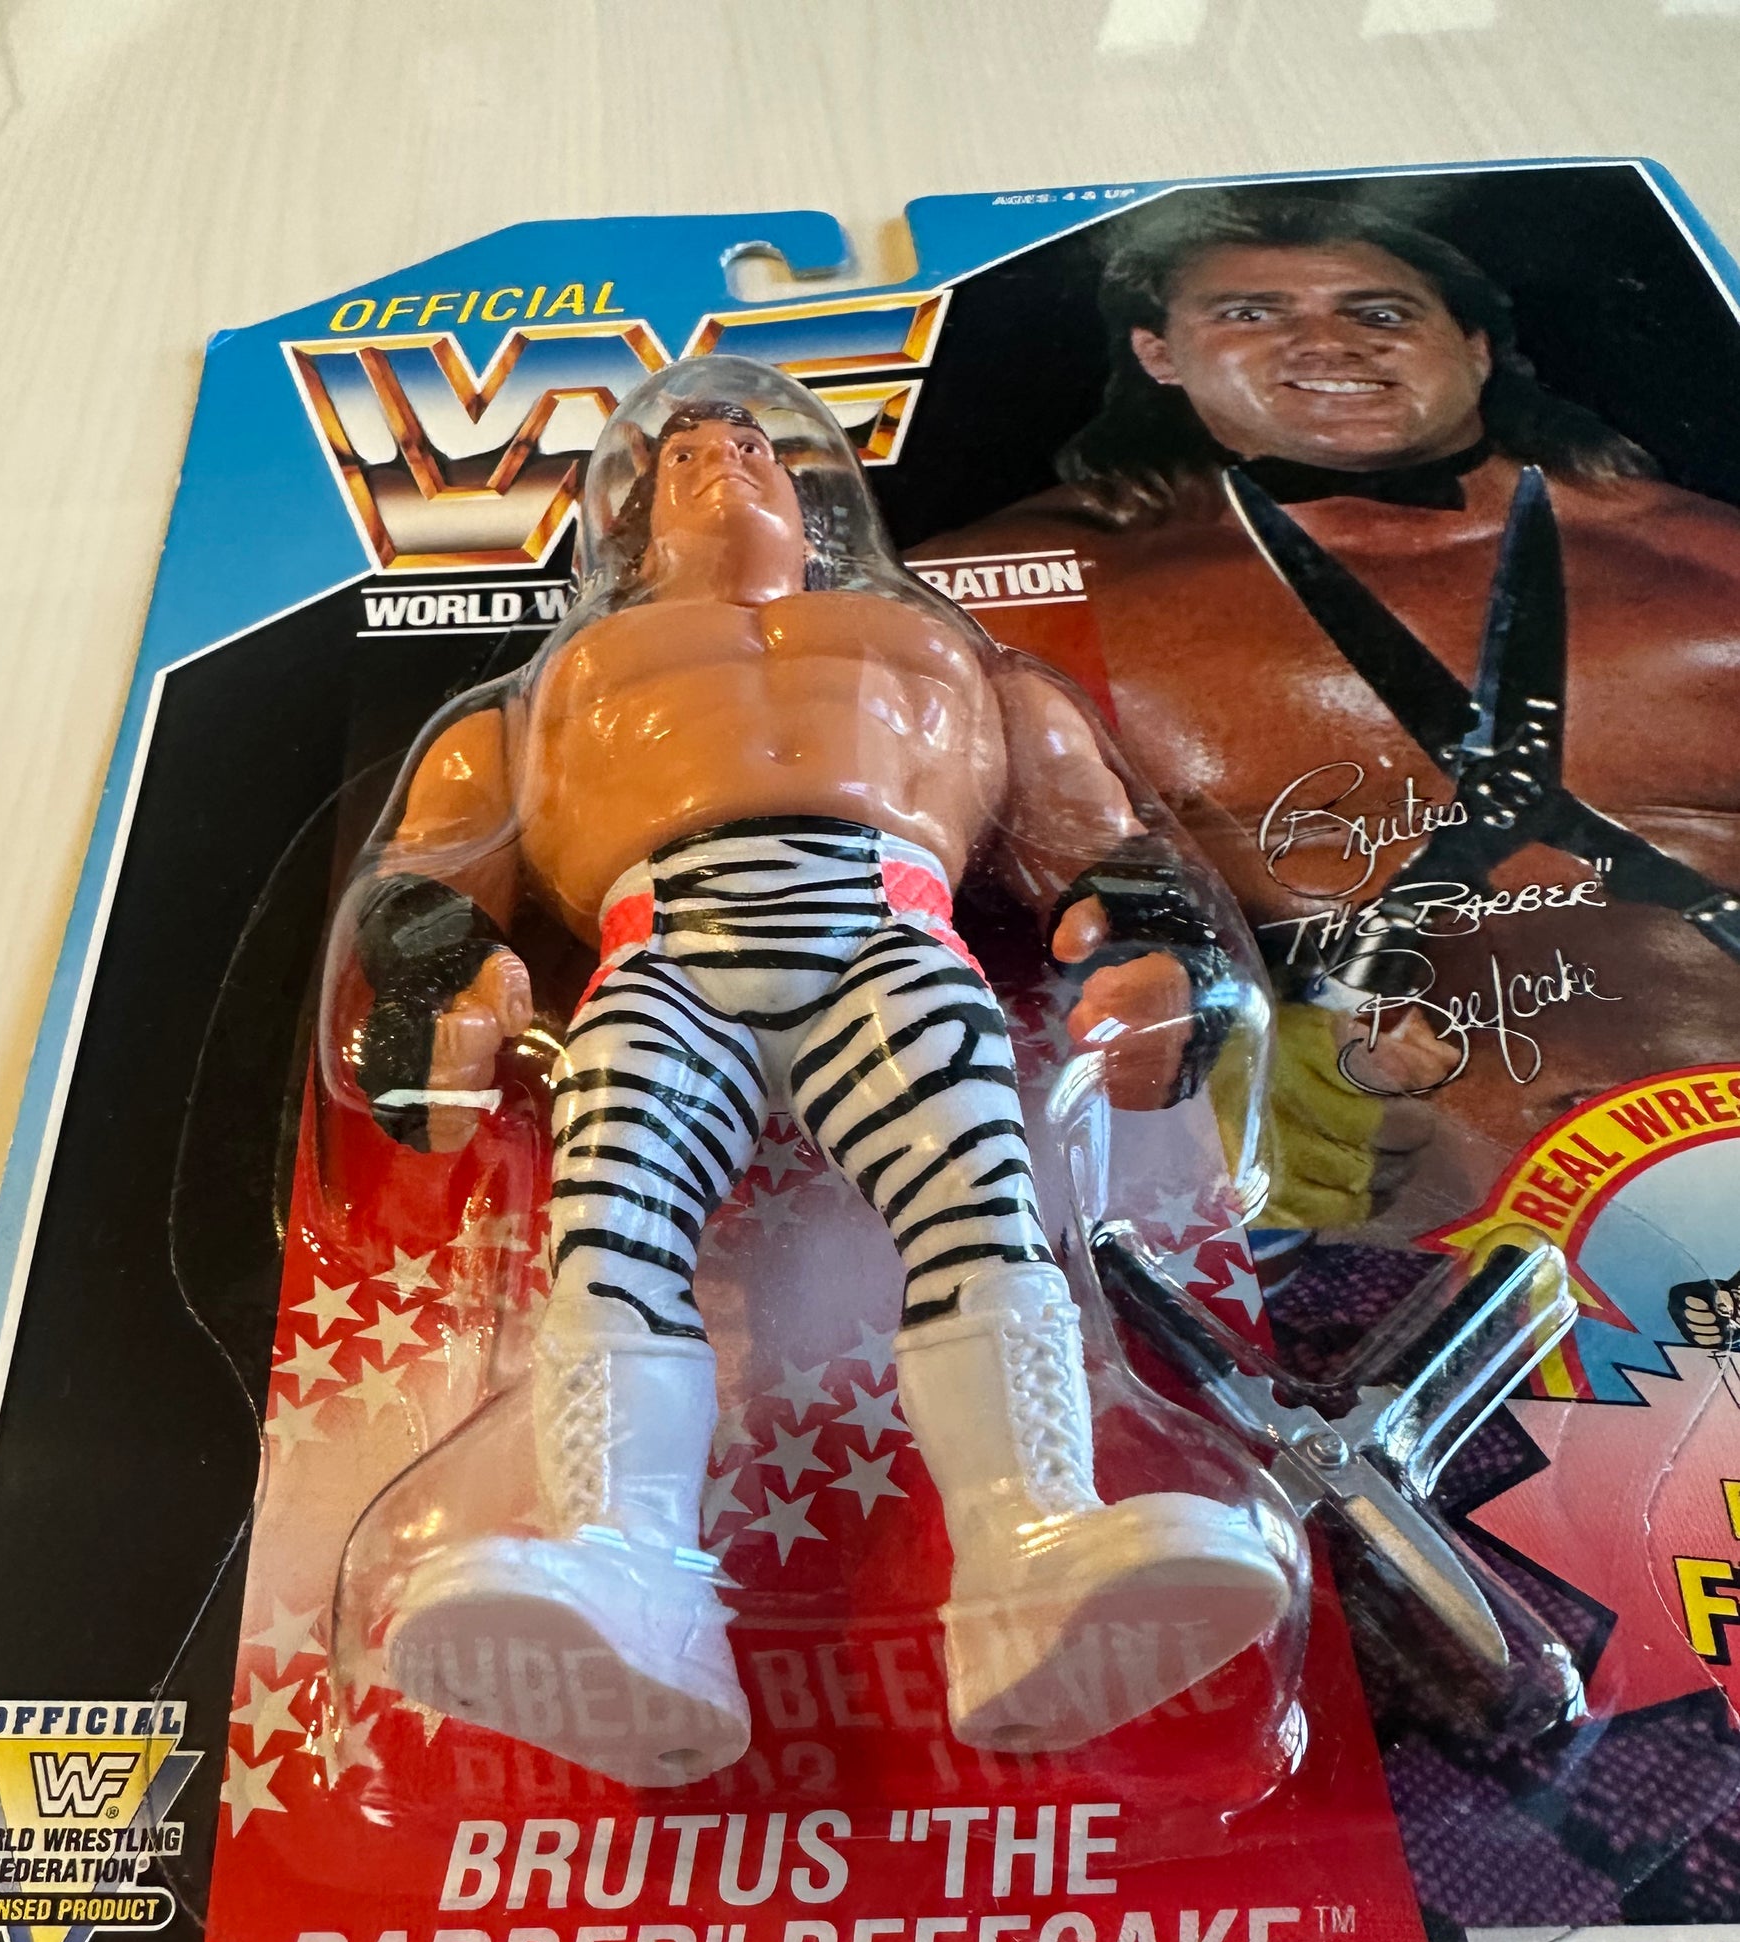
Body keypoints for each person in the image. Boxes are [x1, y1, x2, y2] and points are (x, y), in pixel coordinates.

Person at [323, 358, 1290, 1786]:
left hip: (885, 933)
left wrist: (1159, 953)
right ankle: (625, 1576)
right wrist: (427, 981)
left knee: (982, 1211)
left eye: (752, 444)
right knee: (609, 1232)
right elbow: (429, 860)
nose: (723, 458)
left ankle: (1036, 1547)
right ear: (632, 508)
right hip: (662, 945)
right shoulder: (547, 694)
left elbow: (1094, 829)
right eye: (684, 452)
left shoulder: (951, 659)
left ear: (813, 480)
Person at [922, 190, 1740, 1231]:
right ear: (1156, 353)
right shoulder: (1001, 595)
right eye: (1251, 313)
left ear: (1477, 349)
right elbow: (859, 903)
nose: (1328, 342)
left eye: (1379, 312)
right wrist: (1179, 1065)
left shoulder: (1710, 562)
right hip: (1317, 1245)